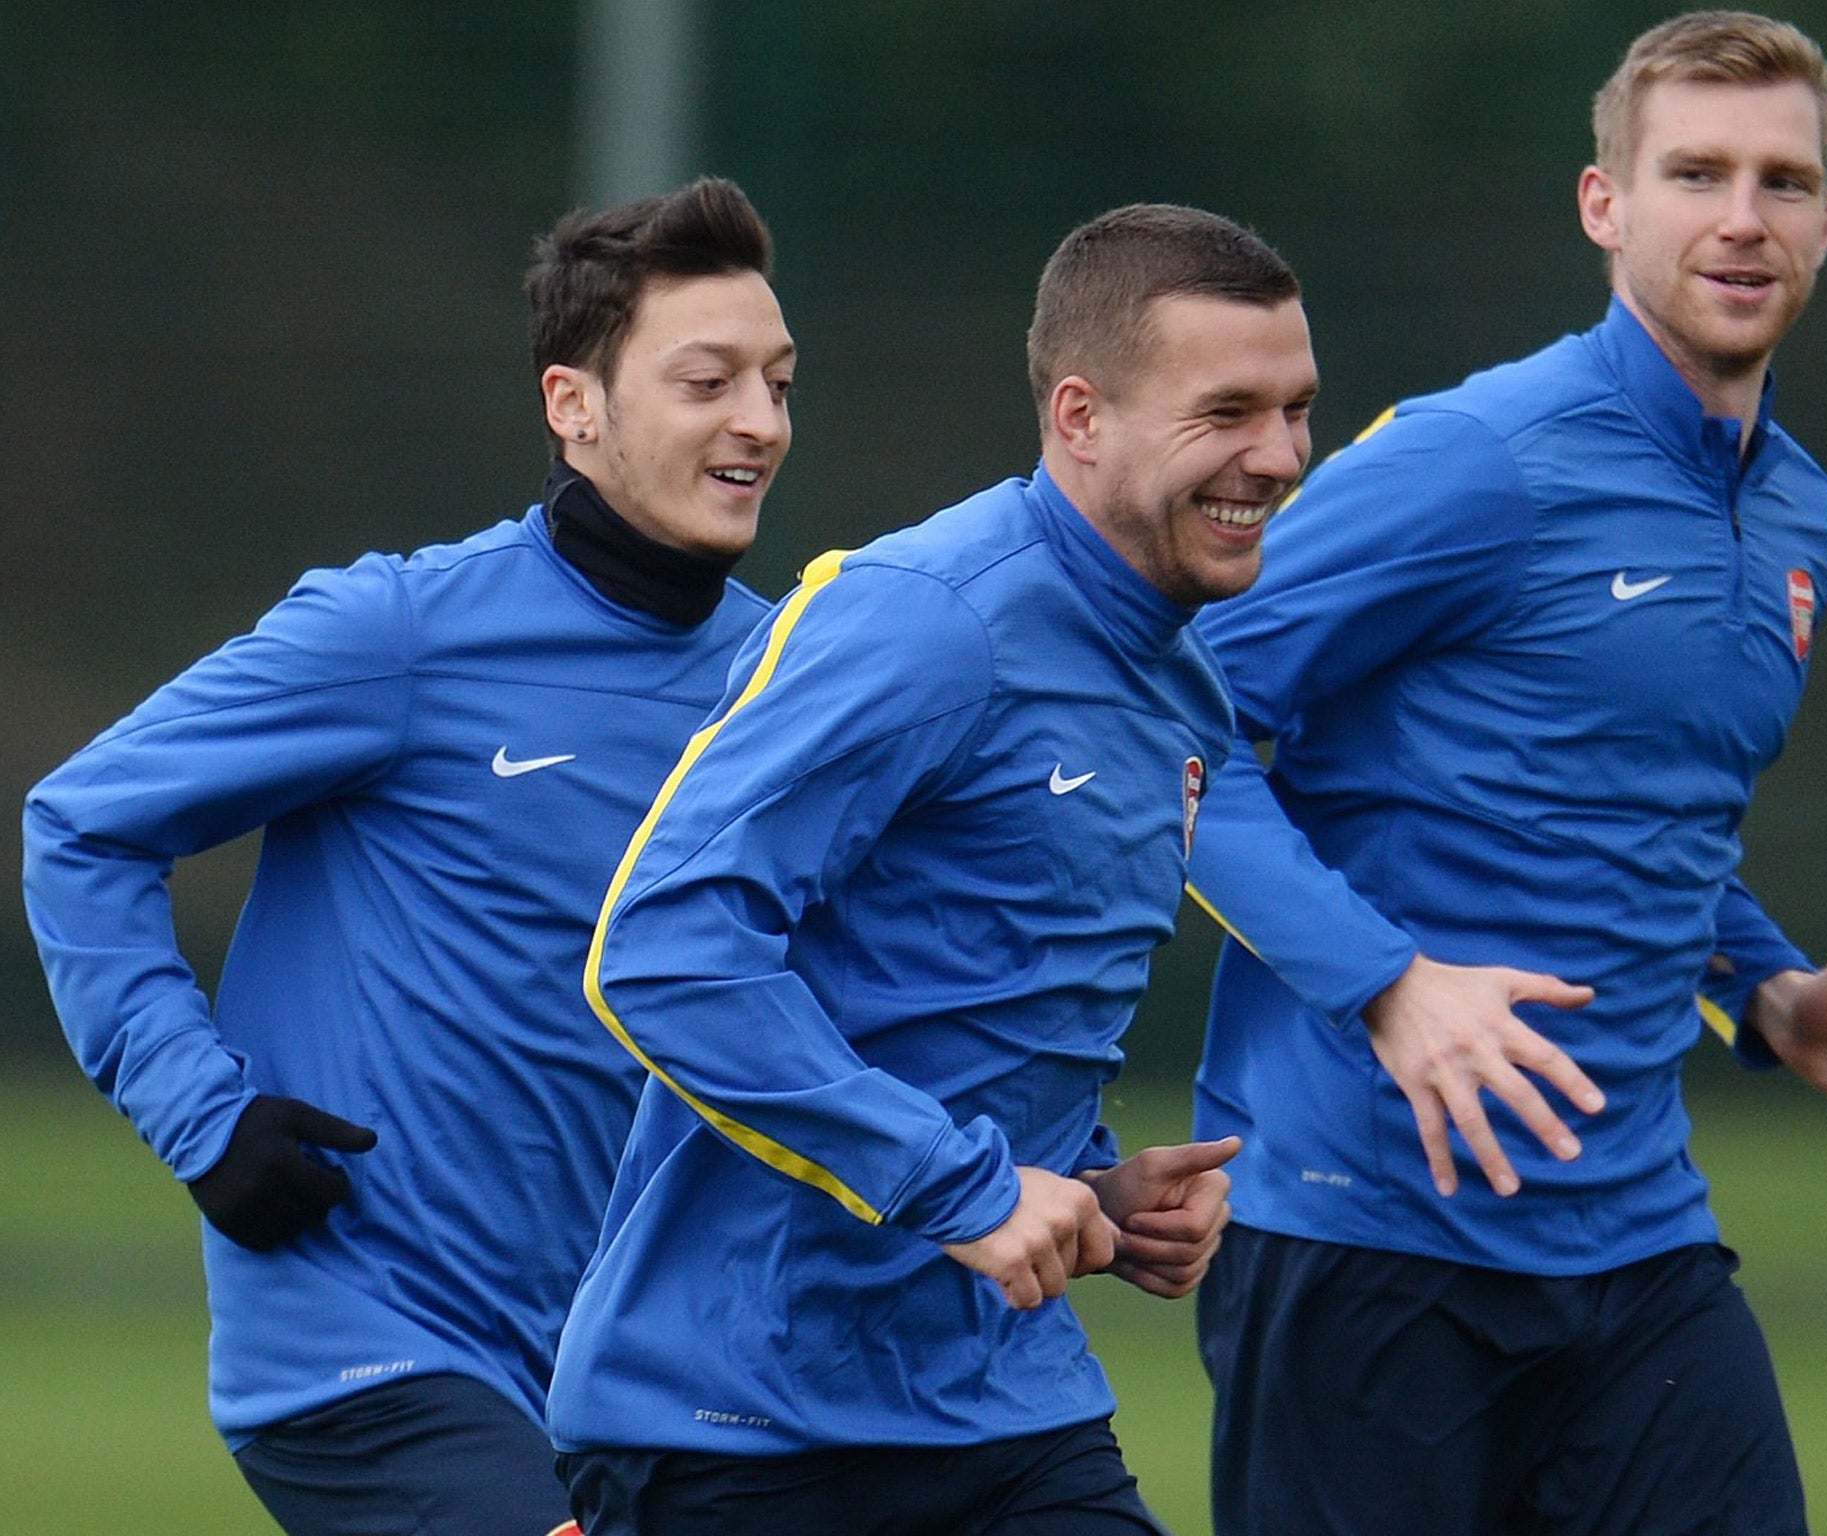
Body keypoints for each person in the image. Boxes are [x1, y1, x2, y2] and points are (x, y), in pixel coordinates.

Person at [1182, 13, 1827, 1536]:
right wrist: (1389, 983)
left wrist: (1767, 992)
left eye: (1784, 179)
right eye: (1696, 171)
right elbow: (1173, 733)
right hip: (1365, 1239)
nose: (1743, 217)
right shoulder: (1476, 458)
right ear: (1605, 205)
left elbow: (1621, 816)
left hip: (1636, 1249)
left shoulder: (1804, 520)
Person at [22, 177, 796, 1536]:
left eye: (780, 383)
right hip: (366, 1353)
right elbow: (81, 829)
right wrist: (207, 1120)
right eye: (709, 380)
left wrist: (1065, 1178)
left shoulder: (793, 681)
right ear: (575, 406)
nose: (760, 423)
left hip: (644, 1374)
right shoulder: (396, 633)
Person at [545, 202, 1318, 1534]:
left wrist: (1091, 1192)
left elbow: (968, 982)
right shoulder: (927, 620)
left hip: (1005, 1400)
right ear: (1080, 417)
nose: (1281, 456)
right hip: (742, 1418)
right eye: (1229, 412)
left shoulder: (1185, 691)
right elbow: (665, 950)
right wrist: (960, 1185)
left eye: (1298, 410)